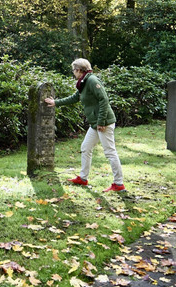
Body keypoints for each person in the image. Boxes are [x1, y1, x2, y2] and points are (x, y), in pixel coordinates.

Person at [44, 58, 125, 192]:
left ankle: (118, 184)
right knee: (86, 147)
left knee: (110, 152)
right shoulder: (83, 82)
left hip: (104, 123)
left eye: (73, 70)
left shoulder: (92, 81)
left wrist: (101, 122)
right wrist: (55, 103)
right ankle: (83, 178)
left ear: (79, 70)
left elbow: (104, 100)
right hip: (95, 124)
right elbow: (75, 98)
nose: (73, 73)